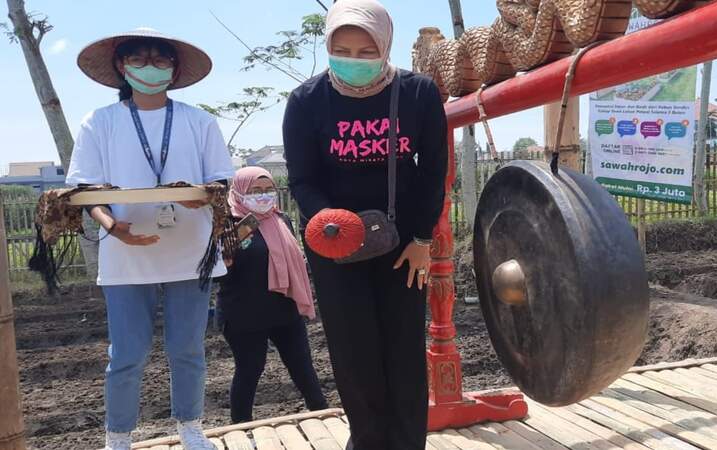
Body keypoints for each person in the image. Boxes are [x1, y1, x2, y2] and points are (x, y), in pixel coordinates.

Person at [282, 1, 448, 448]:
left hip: (402, 246)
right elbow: (302, 179)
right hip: (335, 247)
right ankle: (368, 441)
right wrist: (328, 222)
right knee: (354, 354)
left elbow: (434, 171)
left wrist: (421, 239)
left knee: (402, 350)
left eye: (365, 50)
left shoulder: (418, 93)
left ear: (385, 46)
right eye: (343, 49)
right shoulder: (305, 101)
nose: (354, 60)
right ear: (328, 46)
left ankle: (408, 442)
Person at [67, 28, 234, 450]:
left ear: (174, 70)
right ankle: (118, 436)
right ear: (123, 66)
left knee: (188, 349)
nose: (151, 67)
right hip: (126, 254)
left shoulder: (199, 120)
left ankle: (191, 428)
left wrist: (203, 200)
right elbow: (87, 188)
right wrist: (110, 225)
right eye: (139, 59)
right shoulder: (100, 121)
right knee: (126, 354)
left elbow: (218, 181)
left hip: (191, 251)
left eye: (161, 60)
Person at [215, 167, 328, 424]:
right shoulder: (228, 224)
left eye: (268, 190)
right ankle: (241, 426)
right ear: (240, 192)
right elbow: (217, 276)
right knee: (250, 369)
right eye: (255, 191)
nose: (263, 196)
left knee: (302, 366)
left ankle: (321, 413)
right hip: (244, 313)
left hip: (284, 308)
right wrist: (225, 262)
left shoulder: (281, 220)